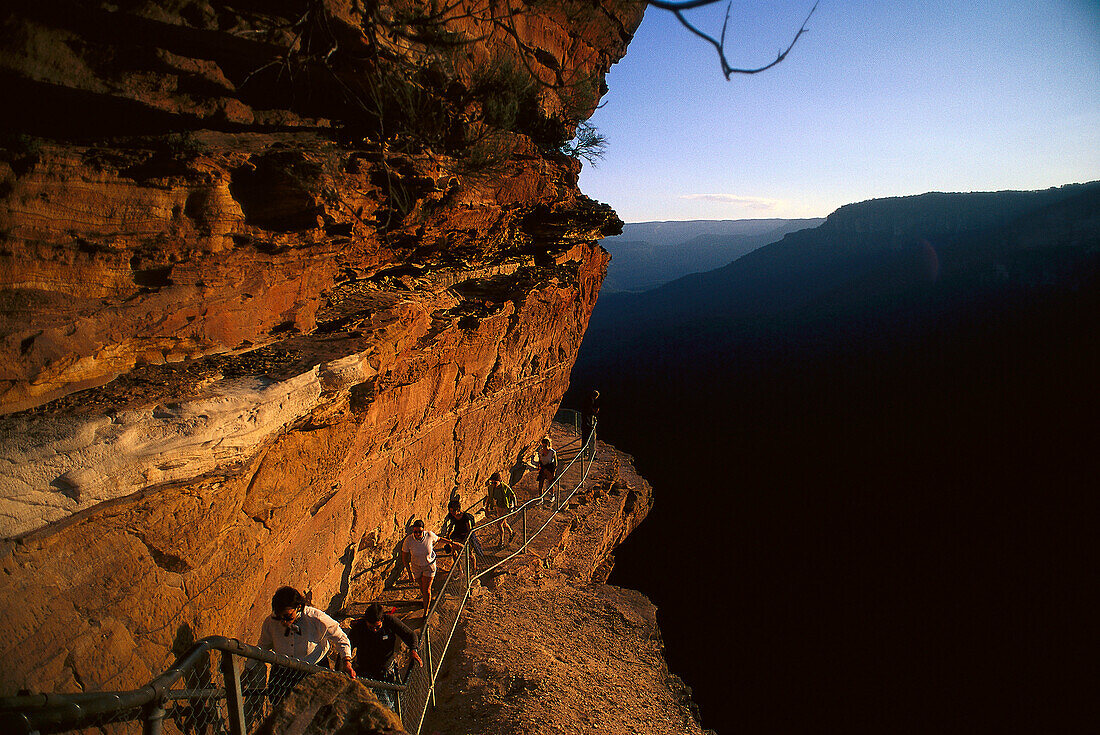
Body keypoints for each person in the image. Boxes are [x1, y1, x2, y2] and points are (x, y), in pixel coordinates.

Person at [257, 586, 356, 703]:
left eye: (287, 616)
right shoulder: (270, 623)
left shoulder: (315, 618)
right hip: (283, 671)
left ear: (298, 607)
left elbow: (340, 637)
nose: (283, 621)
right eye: (279, 617)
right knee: (280, 705)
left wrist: (346, 662)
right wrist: (249, 668)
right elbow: (262, 647)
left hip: (313, 669)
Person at [349, 602, 422, 711]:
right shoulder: (358, 629)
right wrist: (346, 664)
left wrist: (413, 650)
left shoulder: (390, 621)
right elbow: (346, 647)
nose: (374, 630)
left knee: (392, 702)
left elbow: (410, 635)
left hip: (386, 671)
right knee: (371, 705)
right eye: (371, 627)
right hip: (365, 672)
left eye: (377, 627)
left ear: (382, 620)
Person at [401, 520, 441, 614]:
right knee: (422, 587)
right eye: (415, 532)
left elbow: (439, 539)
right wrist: (409, 573)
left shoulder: (429, 535)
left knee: (426, 589)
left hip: (429, 566)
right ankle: (427, 600)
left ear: (423, 530)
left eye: (420, 531)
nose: (418, 534)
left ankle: (426, 611)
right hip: (416, 567)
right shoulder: (409, 540)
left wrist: (452, 543)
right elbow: (405, 558)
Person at [485, 471, 517, 546]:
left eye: (495, 483)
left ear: (499, 481)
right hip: (499, 507)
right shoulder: (491, 488)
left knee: (499, 524)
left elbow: (513, 496)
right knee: (504, 523)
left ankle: (501, 541)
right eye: (492, 482)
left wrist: (515, 507)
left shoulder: (505, 487)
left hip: (506, 507)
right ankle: (511, 533)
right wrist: (486, 508)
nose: (493, 484)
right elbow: (489, 497)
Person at [534, 436, 557, 506]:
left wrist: (554, 472)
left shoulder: (552, 452)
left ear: (548, 445)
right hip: (543, 468)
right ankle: (541, 498)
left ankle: (552, 495)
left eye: (545, 445)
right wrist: (539, 467)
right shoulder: (541, 452)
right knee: (540, 484)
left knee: (550, 483)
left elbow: (556, 463)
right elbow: (540, 461)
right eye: (543, 445)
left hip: (550, 468)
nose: (544, 447)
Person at [582, 390, 600, 459]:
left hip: (584, 424)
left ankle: (584, 453)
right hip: (588, 424)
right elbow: (589, 412)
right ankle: (591, 456)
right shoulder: (590, 402)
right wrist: (594, 412)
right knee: (591, 440)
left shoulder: (586, 400)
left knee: (585, 440)